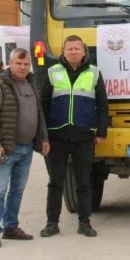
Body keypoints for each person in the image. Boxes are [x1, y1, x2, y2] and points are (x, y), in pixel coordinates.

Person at [40, 36, 109, 238]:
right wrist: (43, 136)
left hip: (84, 136)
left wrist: (101, 131)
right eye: (69, 49)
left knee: (84, 182)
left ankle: (84, 222)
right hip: (57, 136)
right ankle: (52, 223)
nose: (73, 52)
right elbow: (42, 105)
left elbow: (103, 105)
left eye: (77, 49)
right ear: (63, 51)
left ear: (83, 51)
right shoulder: (52, 73)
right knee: (55, 182)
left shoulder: (94, 73)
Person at [0, 48, 49, 248]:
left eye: (26, 64)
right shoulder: (0, 86)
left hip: (26, 148)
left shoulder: (31, 83)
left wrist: (44, 138)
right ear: (10, 63)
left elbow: (38, 113)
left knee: (17, 191)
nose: (22, 67)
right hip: (6, 149)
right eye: (18, 63)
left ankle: (11, 227)